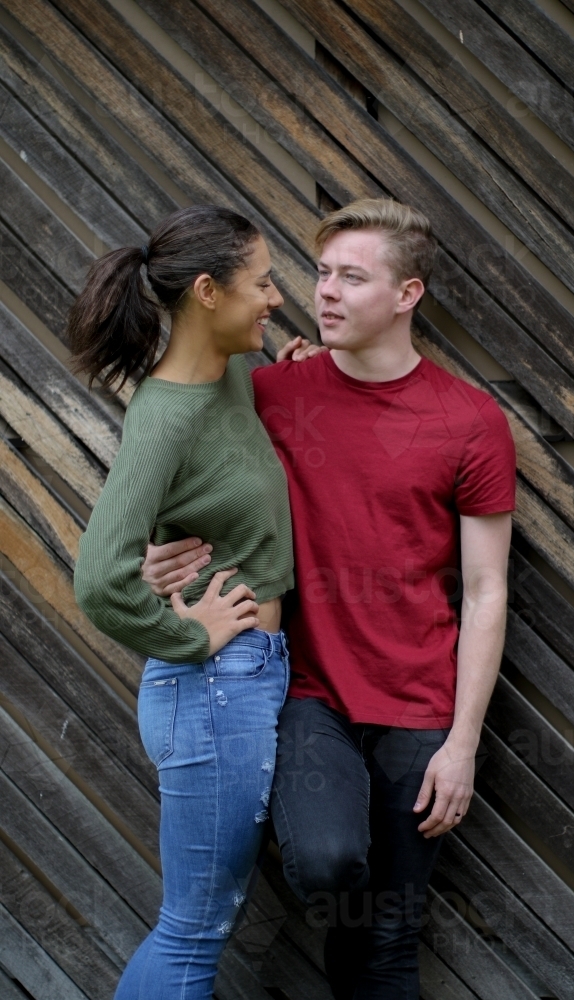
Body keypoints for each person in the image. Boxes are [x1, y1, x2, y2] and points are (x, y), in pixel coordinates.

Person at [142, 199, 516, 999]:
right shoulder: (271, 397)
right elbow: (196, 493)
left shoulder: (470, 421)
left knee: (389, 942)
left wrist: (463, 743)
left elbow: (486, 590)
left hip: (420, 707)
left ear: (408, 294)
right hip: (306, 693)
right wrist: (160, 560)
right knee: (326, 861)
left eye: (353, 276)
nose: (327, 293)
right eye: (321, 273)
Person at [70, 205, 297, 1000]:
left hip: (244, 678)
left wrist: (291, 365)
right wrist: (187, 634)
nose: (276, 296)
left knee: (205, 924)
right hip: (210, 686)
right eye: (262, 283)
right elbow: (99, 578)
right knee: (194, 932)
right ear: (207, 291)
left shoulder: (233, 372)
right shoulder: (162, 418)